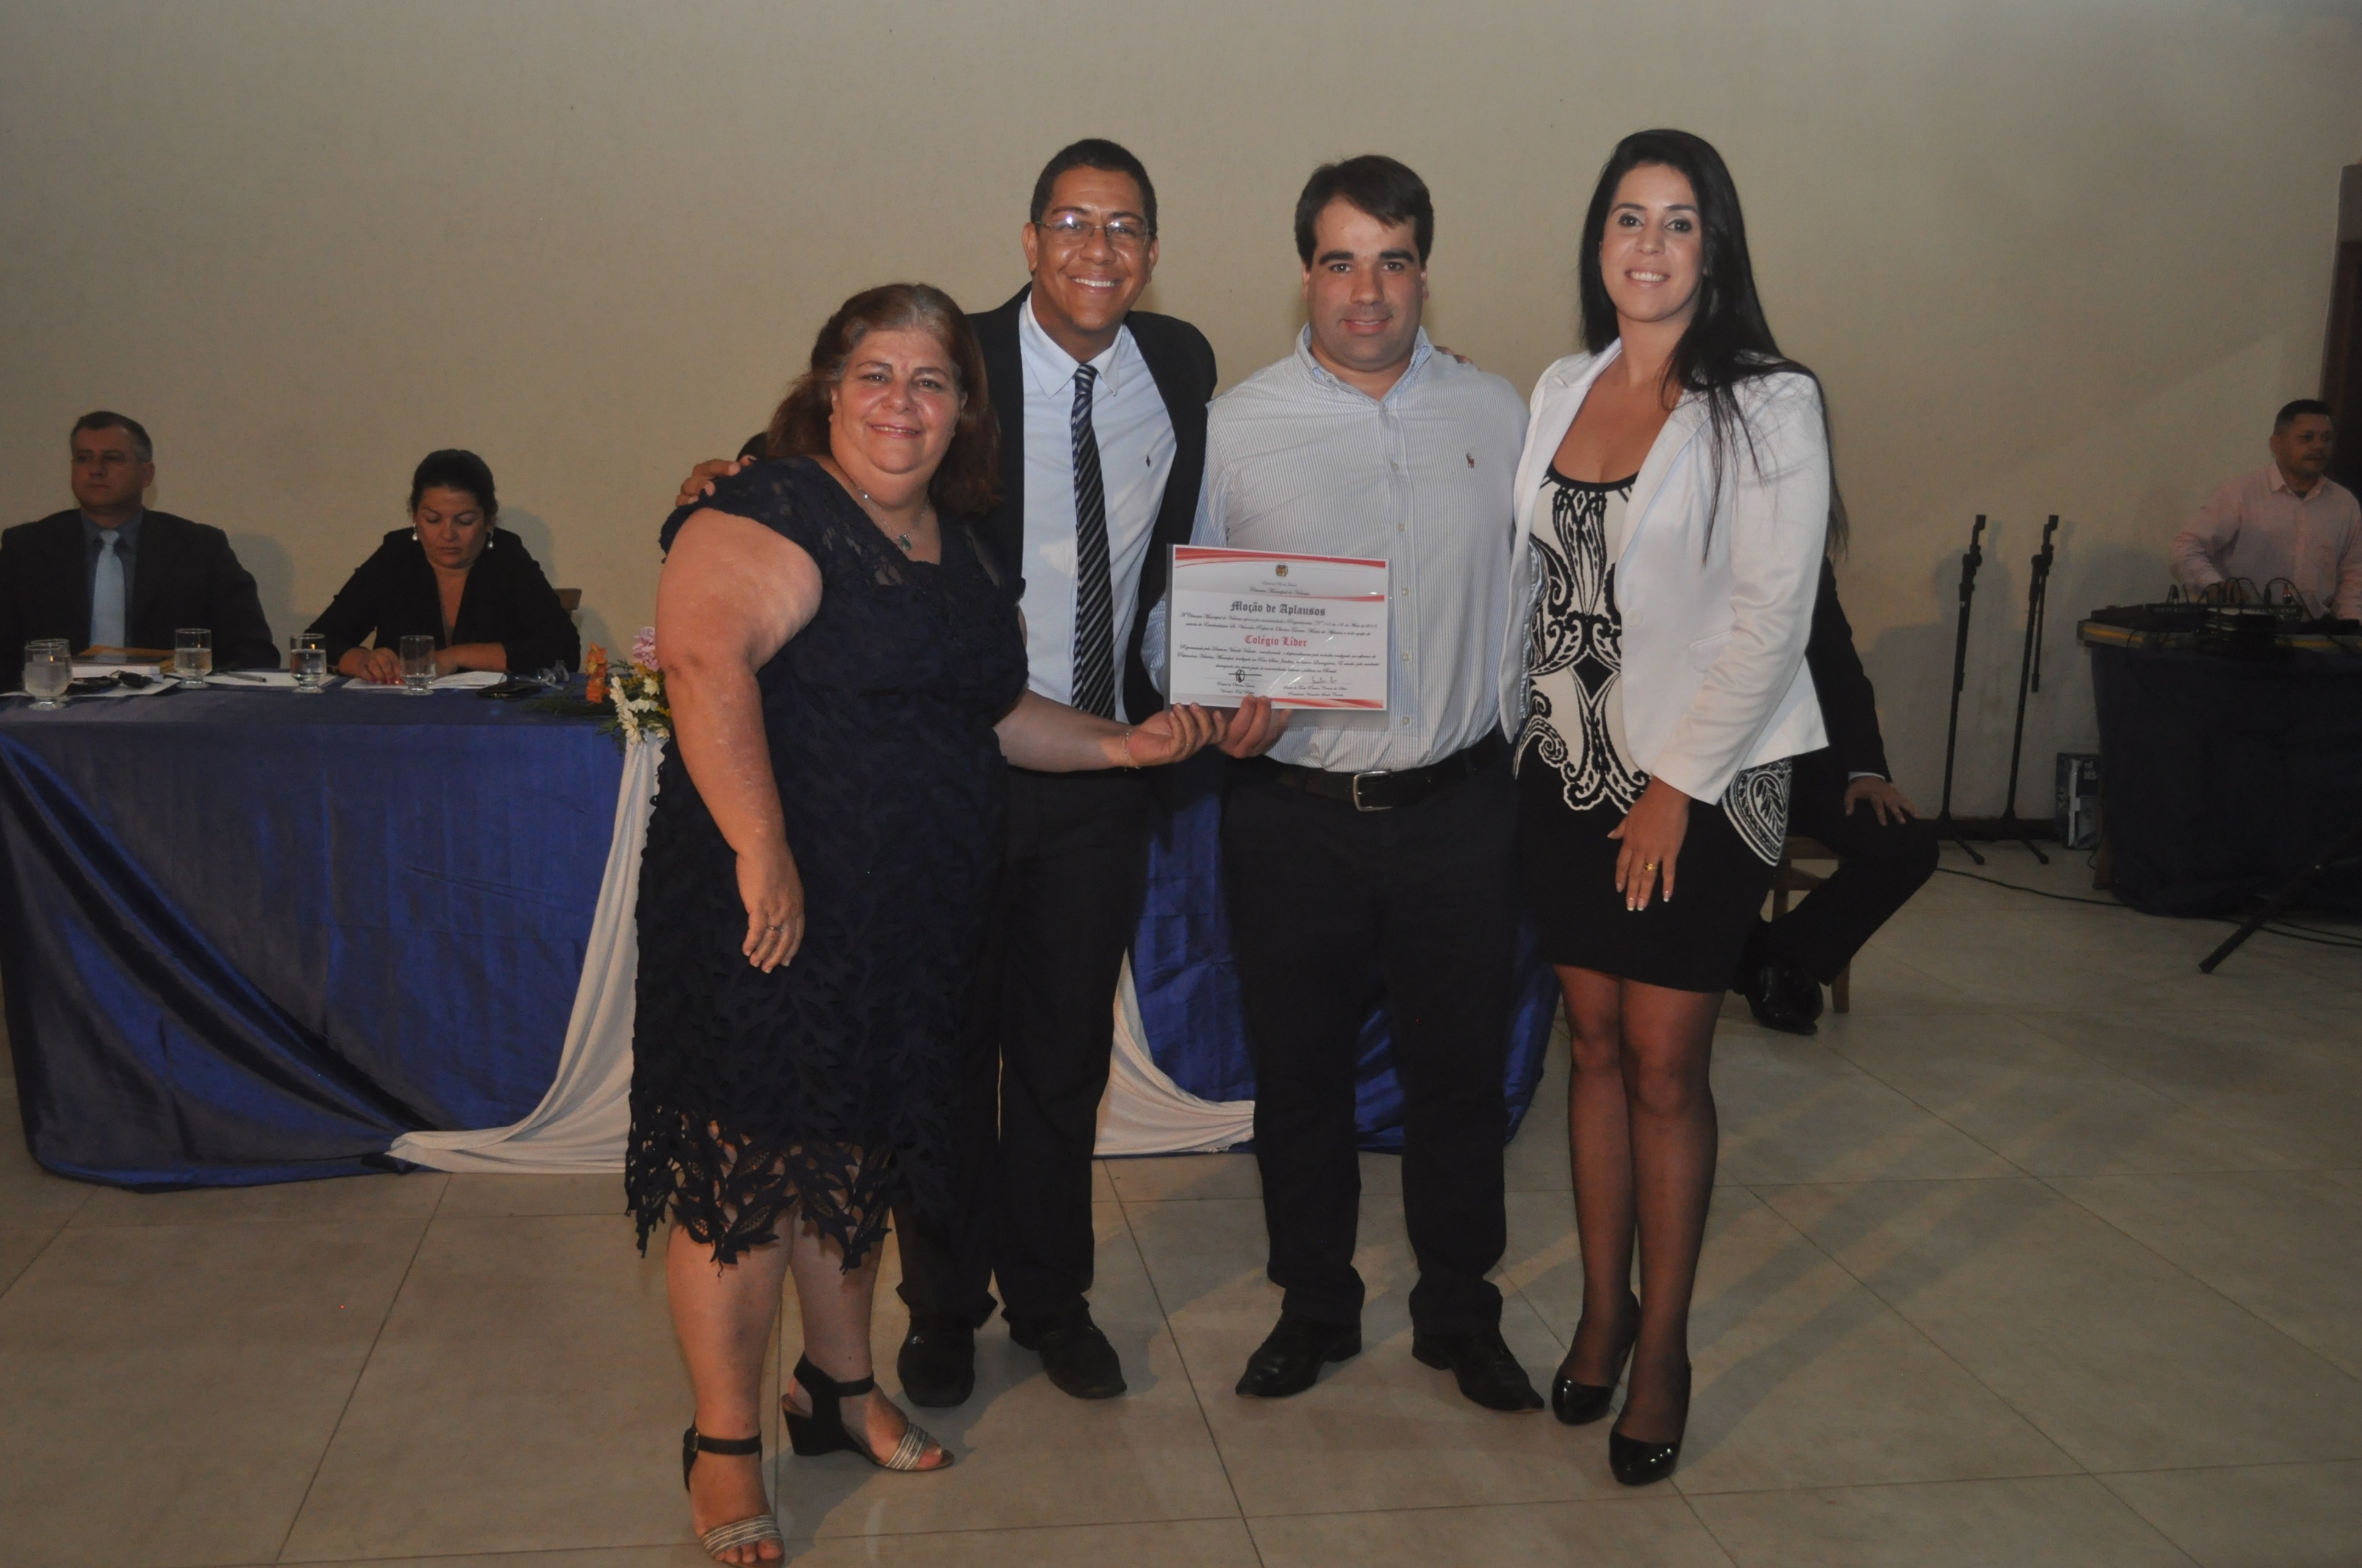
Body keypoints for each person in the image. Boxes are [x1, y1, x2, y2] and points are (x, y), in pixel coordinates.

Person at [629, 283, 1227, 1564]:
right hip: (773, 907)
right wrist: (763, 849)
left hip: (897, 916)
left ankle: (837, 1389)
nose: (902, 403)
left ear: (965, 411)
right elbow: (702, 658)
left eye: (932, 381)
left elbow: (992, 714)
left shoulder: (955, 545)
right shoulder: (772, 505)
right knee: (746, 1169)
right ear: (827, 390)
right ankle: (723, 1444)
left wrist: (1121, 745)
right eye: (876, 375)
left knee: (850, 1157)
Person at [1162, 156, 1541, 1414]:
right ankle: (1315, 1304)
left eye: (1391, 262)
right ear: (1305, 275)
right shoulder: (1235, 425)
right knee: (1301, 1075)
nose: (1366, 291)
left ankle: (1459, 1309)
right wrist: (1217, 697)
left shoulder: (1499, 412)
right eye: (1340, 262)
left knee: (1458, 1077)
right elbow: (1178, 612)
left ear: (1424, 273)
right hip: (1293, 815)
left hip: (1459, 808)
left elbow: (1544, 590)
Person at [1503, 129, 1834, 1486]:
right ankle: (1600, 1308)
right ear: (1598, 241)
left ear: (1715, 246)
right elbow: (1536, 582)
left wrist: (1671, 788)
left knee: (1661, 1062)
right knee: (1587, 1043)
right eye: (1627, 218)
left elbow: (1772, 619)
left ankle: (1663, 1350)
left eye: (1678, 221)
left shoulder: (1768, 402)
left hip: (1705, 779)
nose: (1649, 245)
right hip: (1563, 767)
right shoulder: (1560, 383)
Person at [1732, 559, 1938, 1034]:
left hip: (1801, 766)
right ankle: (1757, 964)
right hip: (1705, 767)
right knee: (1692, 850)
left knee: (1908, 844)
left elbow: (1838, 665)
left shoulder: (1799, 551)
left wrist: (1867, 770)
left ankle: (1771, 957)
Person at [0, 411, 275, 687]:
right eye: (84, 459)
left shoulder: (201, 548)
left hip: (169, 705)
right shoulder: (25, 548)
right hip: (54, 706)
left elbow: (253, 651)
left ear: (146, 474)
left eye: (112, 458)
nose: (95, 469)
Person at [309, 449, 581, 682]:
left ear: (489, 520)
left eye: (465, 521)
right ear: (414, 516)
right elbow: (315, 641)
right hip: (404, 714)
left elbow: (564, 651)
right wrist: (364, 661)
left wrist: (454, 656)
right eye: (433, 519)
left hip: (492, 716)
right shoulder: (396, 555)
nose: (448, 535)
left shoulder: (507, 556)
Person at [2170, 399, 2360, 619]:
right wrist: (2214, 585)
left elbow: (2355, 577)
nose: (2319, 446)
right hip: (2244, 627)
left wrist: (2353, 630)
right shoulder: (2240, 494)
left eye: (2326, 438)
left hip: (2316, 632)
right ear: (2276, 444)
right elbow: (2186, 548)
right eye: (2307, 438)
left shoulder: (2344, 504)